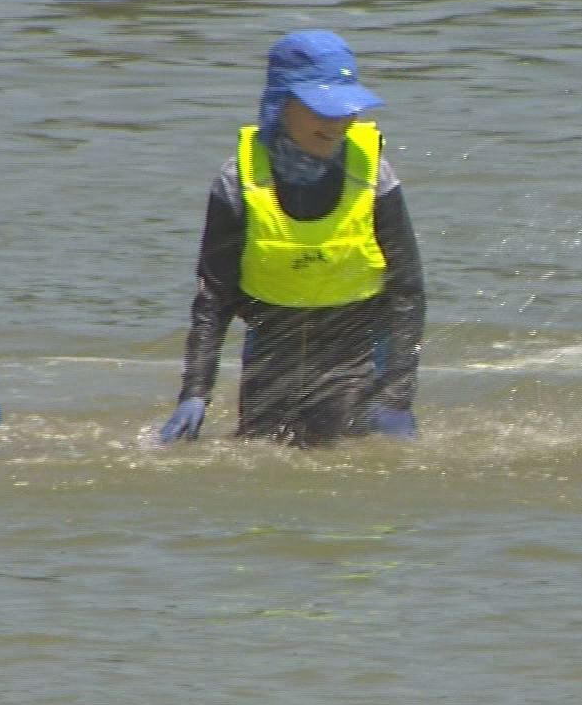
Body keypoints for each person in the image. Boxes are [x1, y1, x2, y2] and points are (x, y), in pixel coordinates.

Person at [152, 29, 427, 448]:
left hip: (355, 368)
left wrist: (397, 397)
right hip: (269, 368)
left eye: (345, 109)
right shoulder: (236, 182)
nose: (337, 123)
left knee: (348, 482)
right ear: (280, 104)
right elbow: (214, 298)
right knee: (263, 486)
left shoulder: (375, 178)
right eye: (322, 109)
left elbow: (406, 292)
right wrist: (195, 394)